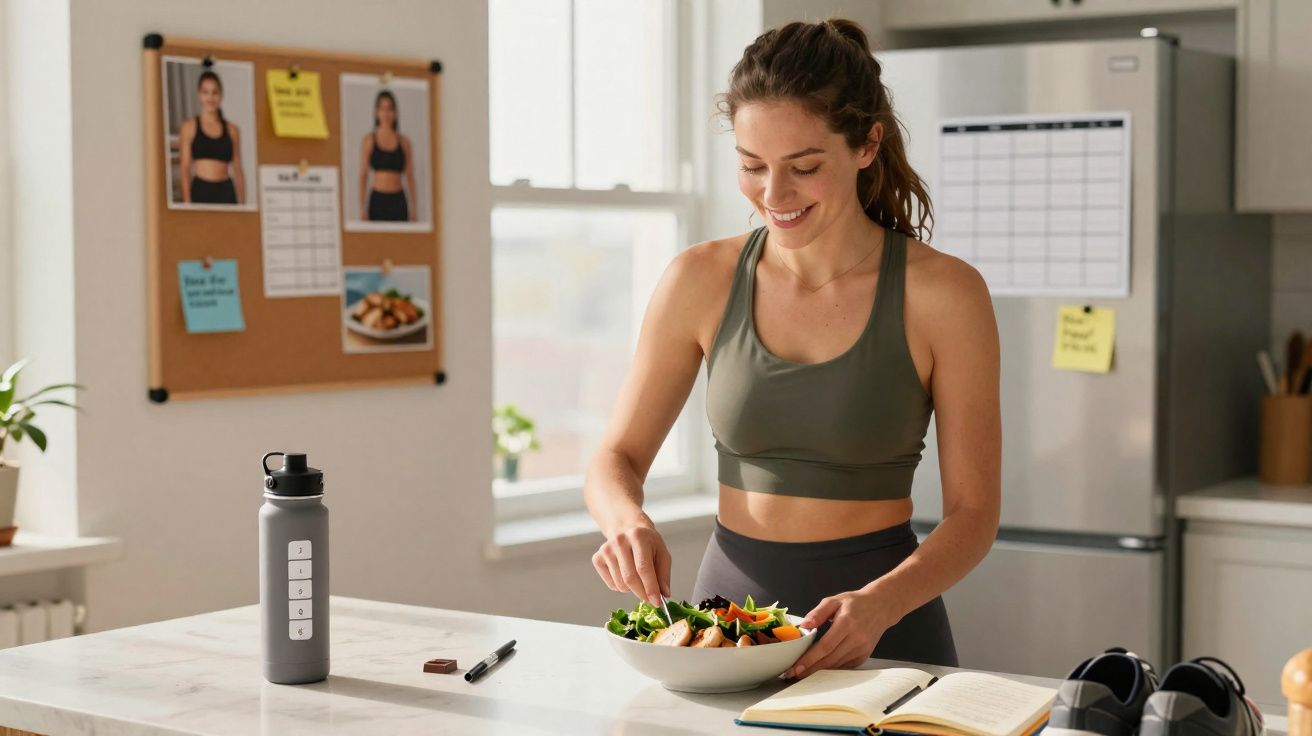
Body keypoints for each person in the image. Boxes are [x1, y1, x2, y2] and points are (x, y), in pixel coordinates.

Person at [584, 18, 1001, 678]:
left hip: (885, 632)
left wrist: (881, 604)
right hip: (727, 635)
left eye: (804, 168)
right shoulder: (698, 280)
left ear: (867, 145)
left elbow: (973, 515)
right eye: (752, 166)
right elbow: (617, 458)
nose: (773, 196)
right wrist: (625, 520)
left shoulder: (945, 294)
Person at [178, 69, 245, 205]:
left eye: (215, 92)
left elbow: (238, 169)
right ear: (199, 95)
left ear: (221, 95)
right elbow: (185, 169)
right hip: (200, 191)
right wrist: (187, 204)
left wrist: (242, 205)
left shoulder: (232, 130)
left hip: (226, 192)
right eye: (205, 92)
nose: (210, 98)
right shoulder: (189, 127)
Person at [358, 90, 416, 222]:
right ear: (376, 112)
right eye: (382, 108)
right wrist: (362, 207)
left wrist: (414, 208)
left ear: (395, 113)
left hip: (398, 201)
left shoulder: (404, 142)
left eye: (390, 109)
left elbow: (410, 176)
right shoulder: (369, 140)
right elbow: (363, 175)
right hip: (377, 201)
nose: (386, 113)